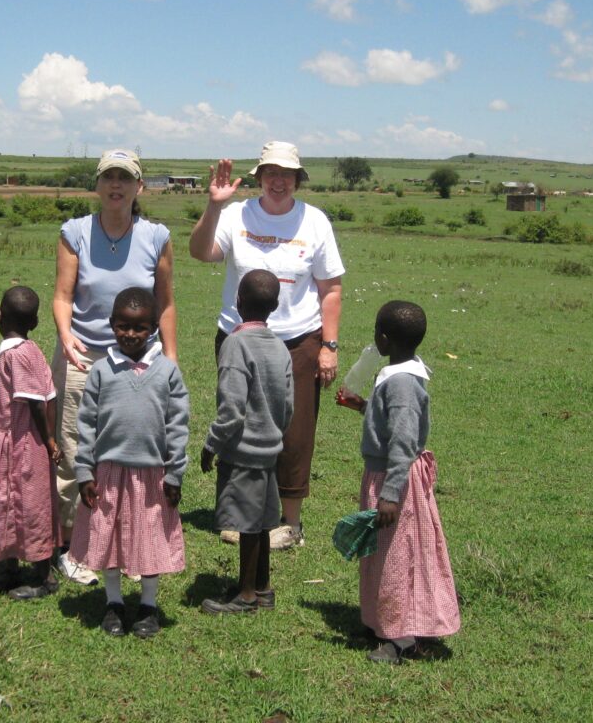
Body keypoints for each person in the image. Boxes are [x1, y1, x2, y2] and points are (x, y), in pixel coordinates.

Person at [189, 141, 344, 550]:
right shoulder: (236, 213)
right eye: (271, 173)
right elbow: (201, 252)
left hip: (299, 341)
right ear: (259, 177)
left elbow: (330, 289)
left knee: (294, 430)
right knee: (238, 422)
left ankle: (290, 525)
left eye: (287, 174)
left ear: (297, 179)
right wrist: (213, 206)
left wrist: (329, 345)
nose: (279, 181)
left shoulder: (314, 222)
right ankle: (241, 515)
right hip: (239, 339)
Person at [52, 149, 177, 584]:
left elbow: (166, 303)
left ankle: (133, 543)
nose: (116, 186)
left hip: (142, 361)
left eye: (125, 178)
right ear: (98, 185)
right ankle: (71, 545)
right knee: (74, 448)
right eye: (109, 177)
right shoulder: (76, 232)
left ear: (139, 187)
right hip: (83, 356)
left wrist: (171, 357)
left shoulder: (157, 235)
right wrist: (66, 336)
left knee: (135, 453)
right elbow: (63, 296)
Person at [335, 300, 460, 663]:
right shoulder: (399, 374)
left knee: (396, 554)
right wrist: (363, 406)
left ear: (385, 339)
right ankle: (383, 621)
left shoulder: (403, 383)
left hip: (396, 478)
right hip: (389, 474)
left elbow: (403, 439)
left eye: (376, 332)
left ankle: (401, 637)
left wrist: (390, 494)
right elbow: (390, 419)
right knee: (383, 551)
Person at [68, 287, 189, 638]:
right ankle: (114, 602)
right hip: (108, 473)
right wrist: (84, 471)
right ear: (111, 325)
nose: (130, 334)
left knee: (151, 537)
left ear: (153, 328)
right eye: (123, 326)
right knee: (109, 538)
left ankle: (148, 606)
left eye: (139, 328)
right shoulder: (102, 371)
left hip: (154, 474)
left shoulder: (167, 372)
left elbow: (178, 425)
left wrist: (175, 472)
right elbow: (86, 424)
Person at [200, 270, 294, 615]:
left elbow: (231, 408)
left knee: (248, 525)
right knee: (263, 521)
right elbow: (287, 404)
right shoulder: (281, 347)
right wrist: (274, 433)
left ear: (238, 303)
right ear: (275, 305)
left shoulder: (235, 345)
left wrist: (211, 444)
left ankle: (247, 595)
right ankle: (262, 586)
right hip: (270, 448)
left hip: (242, 452)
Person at [0, 286, 63, 600]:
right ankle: (8, 569)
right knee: (4, 504)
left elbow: (36, 402)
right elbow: (50, 398)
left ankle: (43, 576)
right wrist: (50, 437)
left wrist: (48, 440)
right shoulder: (31, 350)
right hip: (16, 443)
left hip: (19, 445)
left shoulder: (16, 356)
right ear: (34, 323)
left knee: (29, 506)